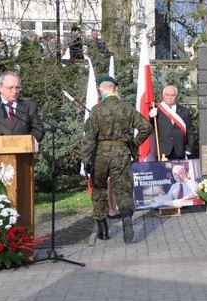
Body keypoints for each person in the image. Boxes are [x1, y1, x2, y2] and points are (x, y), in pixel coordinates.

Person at [81, 76, 152, 242]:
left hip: (100, 155)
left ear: (101, 89)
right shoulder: (126, 108)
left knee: (99, 190)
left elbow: (89, 137)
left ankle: (103, 229)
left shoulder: (97, 110)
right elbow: (146, 127)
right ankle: (126, 217)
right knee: (123, 189)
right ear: (115, 89)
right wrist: (133, 144)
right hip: (121, 154)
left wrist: (85, 158)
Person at [0, 71, 45, 142]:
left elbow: (38, 130)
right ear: (0, 87)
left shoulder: (30, 106)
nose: (15, 91)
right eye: (10, 88)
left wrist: (25, 141)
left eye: (17, 87)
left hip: (23, 151)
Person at [149, 85, 195, 161]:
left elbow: (190, 132)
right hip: (162, 151)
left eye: (172, 95)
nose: (170, 97)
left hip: (180, 151)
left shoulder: (184, 111)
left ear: (176, 96)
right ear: (163, 96)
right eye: (167, 95)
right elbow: (148, 128)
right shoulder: (157, 111)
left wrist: (189, 149)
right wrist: (150, 117)